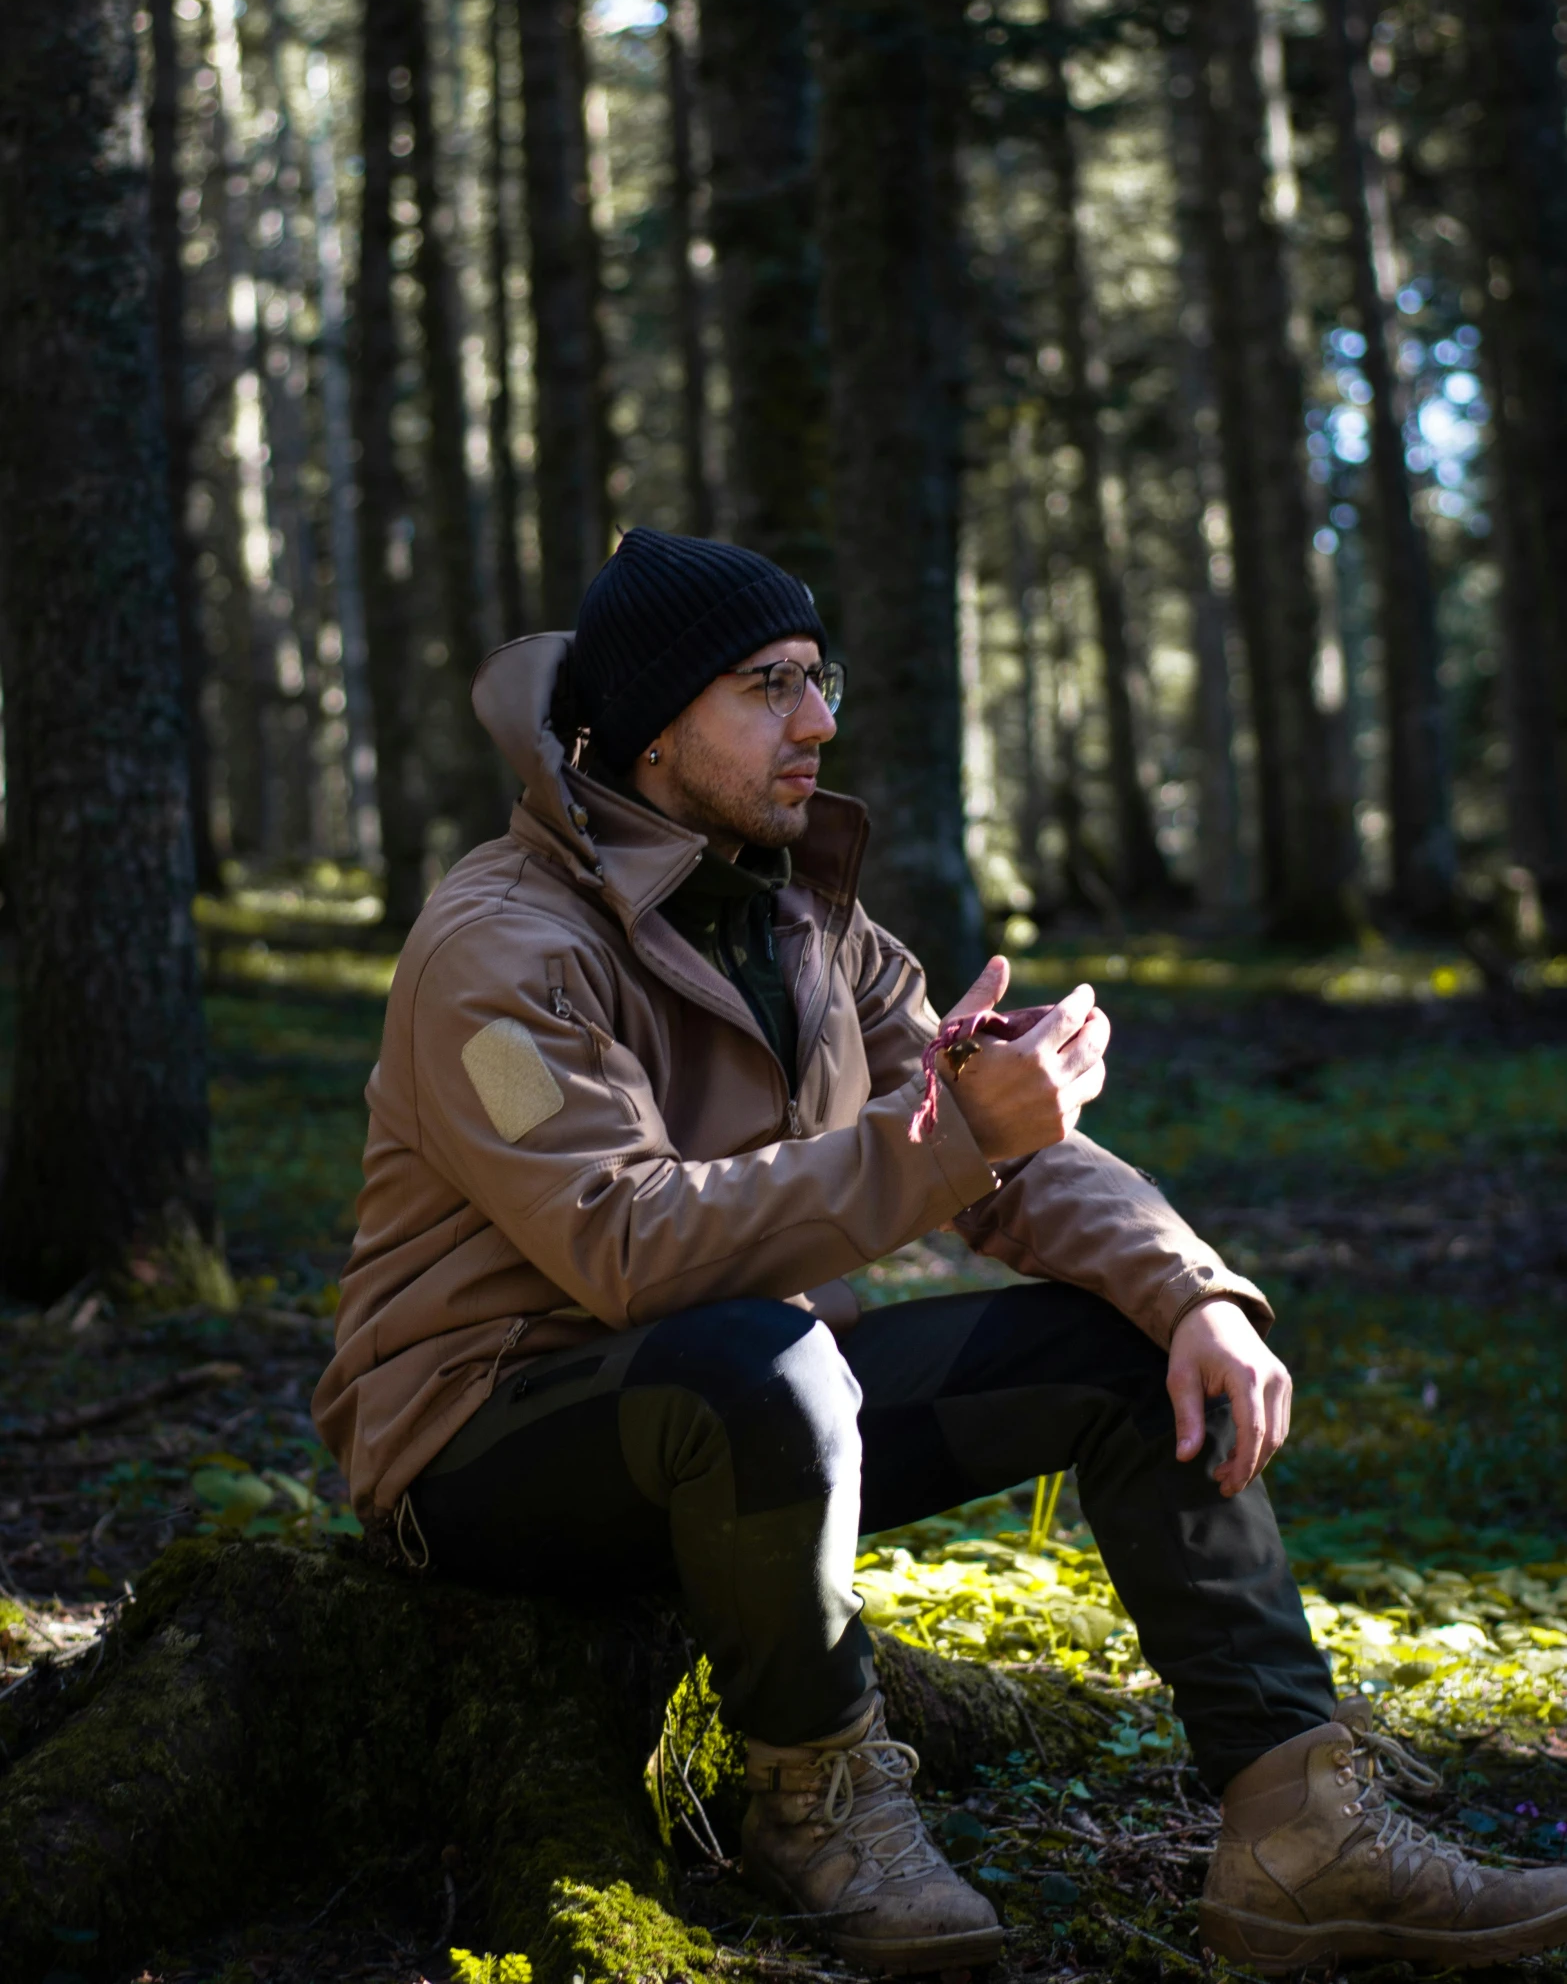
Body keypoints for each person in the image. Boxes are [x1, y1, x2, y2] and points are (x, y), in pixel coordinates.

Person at [315, 528, 1567, 1978]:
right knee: (759, 1362)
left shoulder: (808, 919)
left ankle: (1298, 1832)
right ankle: (815, 1796)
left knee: (1117, 1351)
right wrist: (949, 1139)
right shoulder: (499, 945)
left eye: (818, 676)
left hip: (757, 1404)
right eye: (767, 685)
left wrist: (1191, 1290)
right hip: (485, 1440)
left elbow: (1003, 1157)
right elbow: (624, 1244)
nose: (819, 721)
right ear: (656, 731)